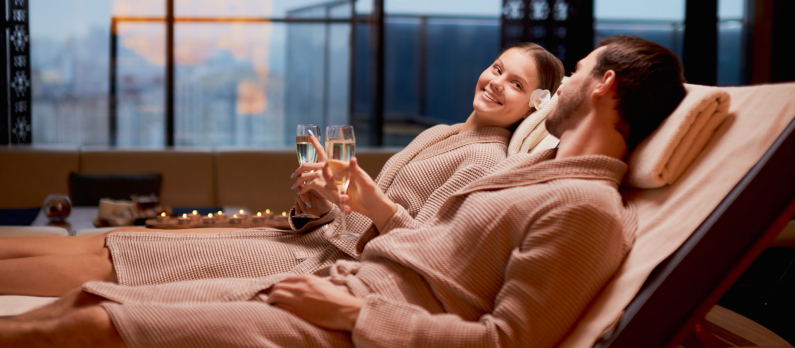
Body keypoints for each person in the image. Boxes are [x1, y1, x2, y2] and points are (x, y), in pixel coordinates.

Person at [0, 35, 686, 347]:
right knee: (90, 297)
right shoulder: (531, 173)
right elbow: (426, 241)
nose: (549, 92)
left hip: (348, 304)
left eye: (567, 77)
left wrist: (354, 308)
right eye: (499, 72)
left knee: (91, 319)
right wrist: (329, 206)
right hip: (343, 278)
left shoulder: (585, 207)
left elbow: (508, 341)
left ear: (603, 85)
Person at [0, 42, 565, 297]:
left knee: (118, 265)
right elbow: (347, 214)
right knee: (112, 244)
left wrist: (370, 206)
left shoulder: (486, 161)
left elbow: (435, 253)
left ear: (537, 105)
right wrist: (317, 202)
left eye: (516, 83)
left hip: (319, 263)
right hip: (305, 238)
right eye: (497, 67)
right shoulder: (441, 133)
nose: (495, 82)